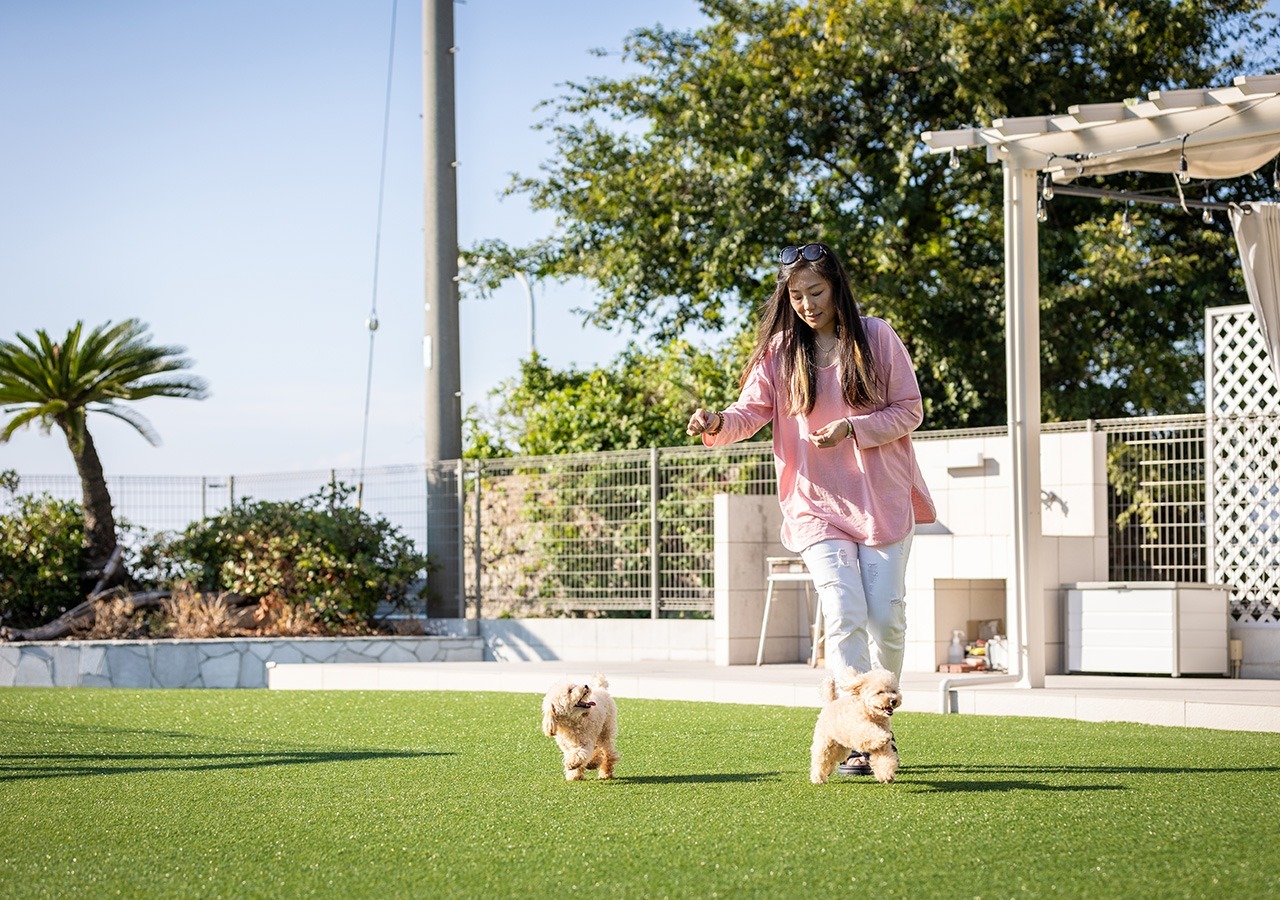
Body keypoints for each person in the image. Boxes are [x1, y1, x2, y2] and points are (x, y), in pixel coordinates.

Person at [687, 241, 935, 776]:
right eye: (794, 295)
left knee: (886, 620)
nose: (805, 304)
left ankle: (880, 721)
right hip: (813, 505)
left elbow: (910, 410)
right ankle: (854, 733)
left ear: (837, 287)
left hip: (881, 501)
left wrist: (854, 428)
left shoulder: (877, 337)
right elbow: (748, 412)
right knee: (843, 610)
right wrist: (715, 423)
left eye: (815, 292)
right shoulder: (780, 351)